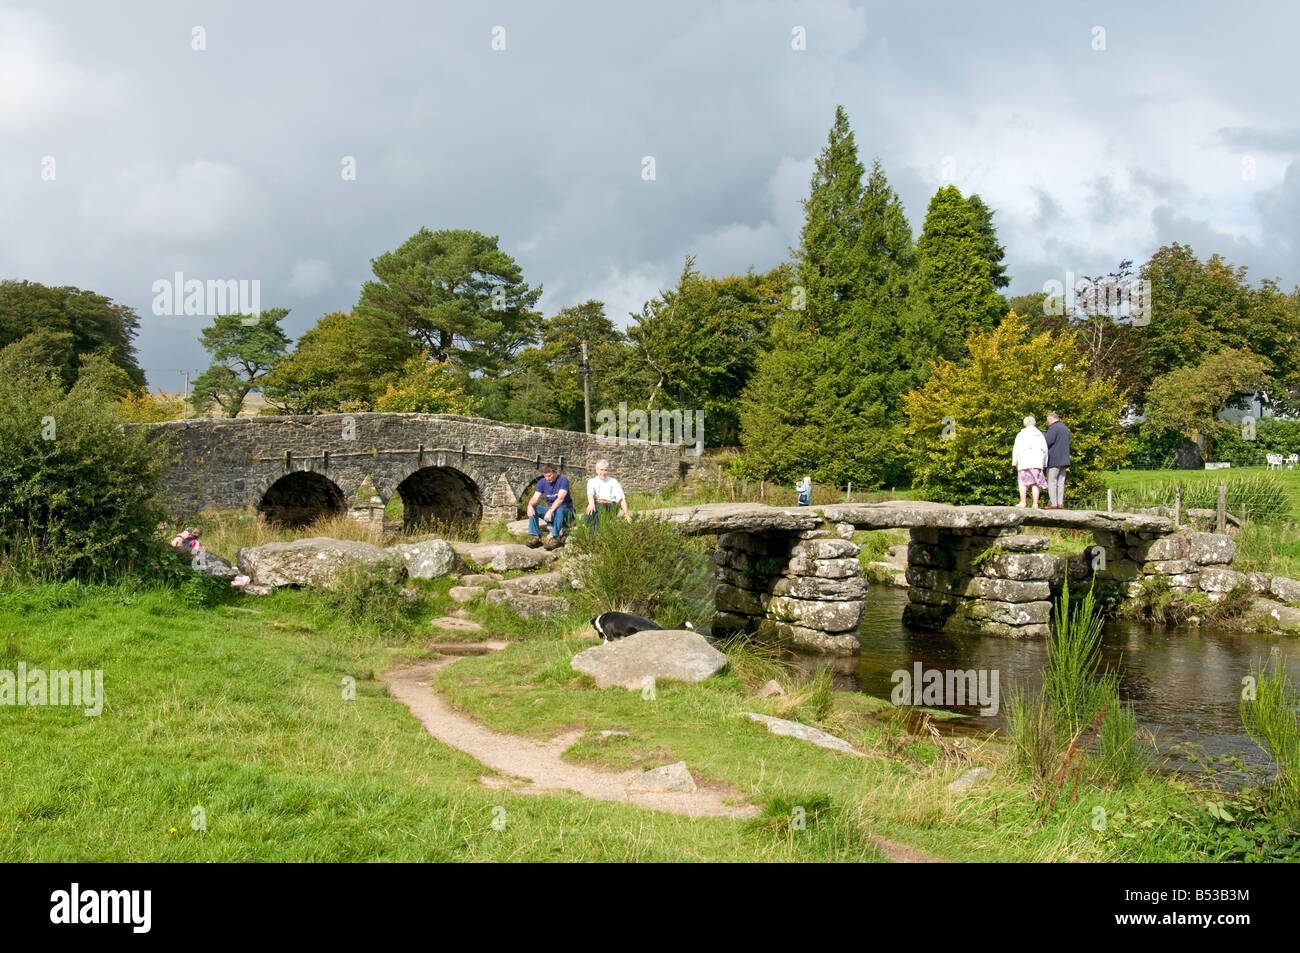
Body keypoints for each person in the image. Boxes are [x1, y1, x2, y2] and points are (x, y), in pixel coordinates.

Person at [525, 464, 574, 550]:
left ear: (555, 472)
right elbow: (535, 497)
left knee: (559, 509)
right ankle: (535, 538)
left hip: (566, 511)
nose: (547, 478)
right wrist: (529, 505)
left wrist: (550, 511)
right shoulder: (542, 482)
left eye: (549, 476)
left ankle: (555, 538)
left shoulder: (563, 480)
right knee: (534, 508)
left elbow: (560, 499)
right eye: (545, 476)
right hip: (552, 511)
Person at [1012, 416, 1049, 508]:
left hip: (1024, 460)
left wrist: (1015, 461)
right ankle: (1035, 503)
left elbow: (1016, 448)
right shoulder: (1040, 435)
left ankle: (1023, 502)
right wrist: (1044, 463)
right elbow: (1045, 449)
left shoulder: (1021, 434)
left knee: (1022, 482)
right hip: (1037, 461)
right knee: (1035, 483)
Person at [585, 459, 631, 528]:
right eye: (601, 470)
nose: (603, 472)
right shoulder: (592, 481)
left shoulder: (613, 482)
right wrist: (591, 503)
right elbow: (590, 494)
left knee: (598, 517)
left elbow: (622, 499)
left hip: (610, 506)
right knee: (589, 517)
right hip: (596, 504)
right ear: (597, 470)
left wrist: (626, 514)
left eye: (605, 470)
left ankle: (596, 536)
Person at [1044, 411, 1071, 509]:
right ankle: (1060, 503)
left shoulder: (1053, 428)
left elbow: (1047, 441)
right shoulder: (1066, 428)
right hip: (1064, 459)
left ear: (1051, 419)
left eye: (1048, 421)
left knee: (1052, 481)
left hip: (1054, 459)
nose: (1048, 423)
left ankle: (1053, 503)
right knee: (1061, 482)